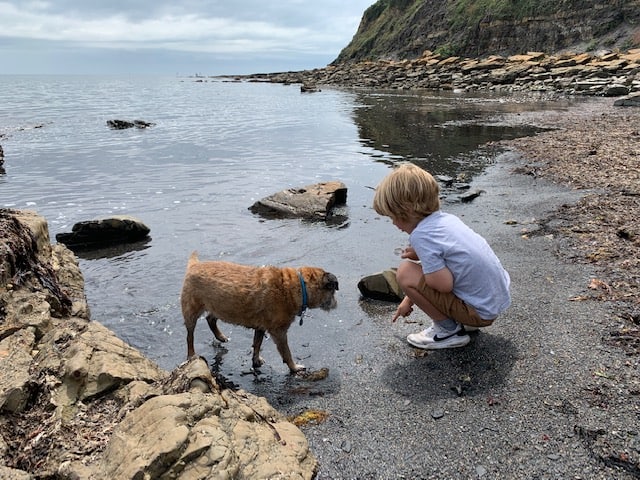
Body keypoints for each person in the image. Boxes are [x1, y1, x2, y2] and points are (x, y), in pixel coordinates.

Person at [372, 163, 511, 349]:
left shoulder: (421, 236)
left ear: (406, 210)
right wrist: (408, 298)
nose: (393, 223)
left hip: (479, 312)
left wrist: (419, 259)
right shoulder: (446, 220)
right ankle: (461, 322)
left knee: (405, 271)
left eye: (393, 216)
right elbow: (452, 264)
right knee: (419, 271)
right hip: (492, 301)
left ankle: (447, 331)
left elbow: (443, 285)